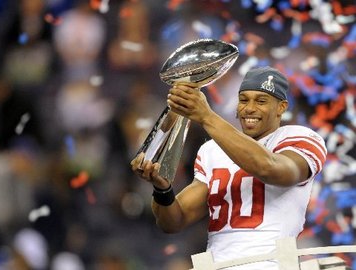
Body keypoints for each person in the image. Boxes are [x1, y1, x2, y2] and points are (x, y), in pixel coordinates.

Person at [131, 66, 327, 269]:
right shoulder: (212, 150)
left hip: (271, 263)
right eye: (244, 100)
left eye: (261, 101)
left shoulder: (299, 138)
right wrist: (162, 188)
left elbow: (271, 169)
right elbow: (172, 222)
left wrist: (207, 116)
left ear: (281, 107)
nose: (249, 108)